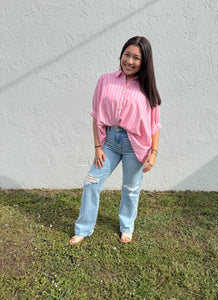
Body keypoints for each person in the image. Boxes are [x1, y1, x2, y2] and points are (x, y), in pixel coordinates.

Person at [70, 36, 162, 244]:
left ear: (144, 61)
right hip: (110, 141)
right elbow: (96, 115)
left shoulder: (147, 89)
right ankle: (83, 229)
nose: (129, 61)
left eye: (136, 58)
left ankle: (126, 226)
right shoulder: (105, 80)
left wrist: (154, 153)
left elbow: (155, 125)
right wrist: (97, 146)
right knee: (91, 182)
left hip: (135, 145)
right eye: (126, 55)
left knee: (131, 189)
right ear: (121, 55)